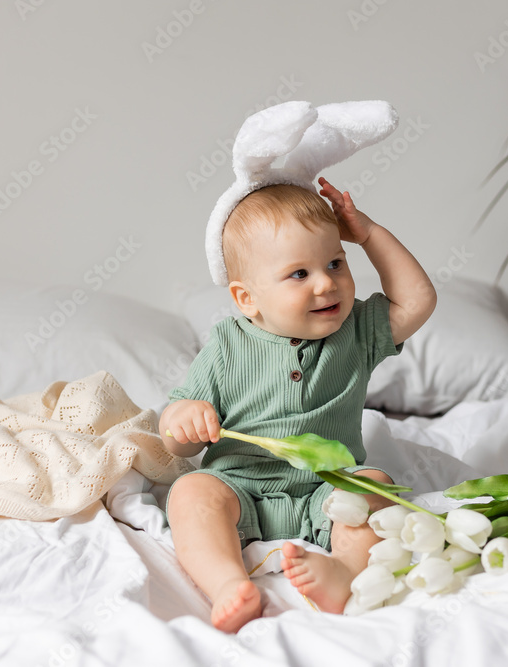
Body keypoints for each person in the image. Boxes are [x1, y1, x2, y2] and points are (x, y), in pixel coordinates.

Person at [159, 177, 436, 633]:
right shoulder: (227, 346)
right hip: (239, 487)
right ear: (247, 298)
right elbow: (176, 441)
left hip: (329, 487)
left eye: (335, 263)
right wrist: (183, 421)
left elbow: (418, 300)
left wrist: (370, 234)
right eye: (300, 274)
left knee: (376, 487)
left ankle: (344, 572)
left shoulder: (357, 332)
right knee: (190, 494)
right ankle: (228, 584)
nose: (327, 283)